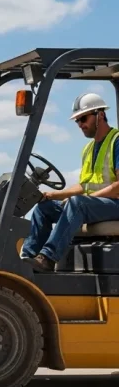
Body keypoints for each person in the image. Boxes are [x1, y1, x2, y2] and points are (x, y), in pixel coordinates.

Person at [22, 92, 119, 272]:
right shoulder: (89, 148)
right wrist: (52, 195)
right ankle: (27, 259)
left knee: (78, 204)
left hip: (115, 204)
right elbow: (84, 185)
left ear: (100, 115)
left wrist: (87, 200)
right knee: (44, 208)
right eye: (77, 121)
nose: (80, 125)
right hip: (96, 205)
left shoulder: (116, 141)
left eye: (83, 119)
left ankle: (47, 258)